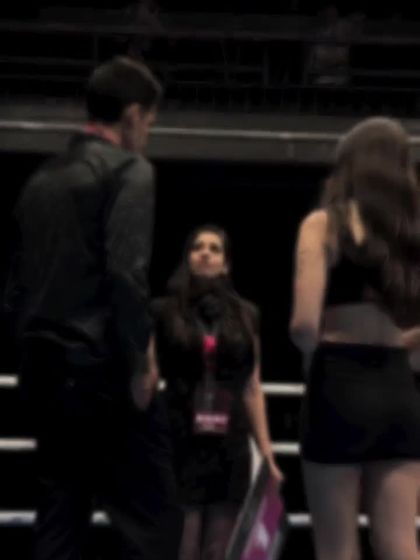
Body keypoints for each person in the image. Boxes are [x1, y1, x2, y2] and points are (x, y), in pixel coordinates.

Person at [6, 56, 183, 560]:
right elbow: (126, 272)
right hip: (100, 367)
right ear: (132, 115)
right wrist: (141, 360)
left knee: (61, 516)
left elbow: (14, 287)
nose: (147, 134)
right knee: (156, 520)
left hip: (42, 367)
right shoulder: (130, 169)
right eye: (148, 123)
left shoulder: (41, 178)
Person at [289, 116, 420, 560]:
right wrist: (398, 345)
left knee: (337, 549)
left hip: (338, 382)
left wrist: (315, 353)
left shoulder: (324, 223)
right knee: (400, 544)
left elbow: (304, 325)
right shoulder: (411, 232)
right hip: (398, 386)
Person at [150, 225, 283, 560]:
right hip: (179, 435)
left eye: (214, 248)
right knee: (183, 545)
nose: (205, 253)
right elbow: (148, 376)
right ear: (188, 258)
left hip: (229, 440)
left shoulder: (247, 314)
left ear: (226, 264)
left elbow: (252, 387)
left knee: (219, 549)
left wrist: (267, 454)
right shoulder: (163, 311)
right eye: (197, 247)